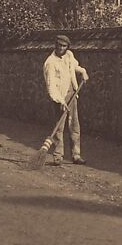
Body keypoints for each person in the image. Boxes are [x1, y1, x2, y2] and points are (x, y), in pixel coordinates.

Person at [39, 33, 89, 166]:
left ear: (67, 47)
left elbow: (74, 66)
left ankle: (76, 155)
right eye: (59, 45)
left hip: (72, 93)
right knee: (59, 127)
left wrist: (82, 71)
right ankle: (58, 156)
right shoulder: (50, 63)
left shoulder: (69, 55)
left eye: (64, 46)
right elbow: (51, 86)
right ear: (55, 45)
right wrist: (60, 101)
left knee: (74, 125)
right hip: (59, 97)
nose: (61, 48)